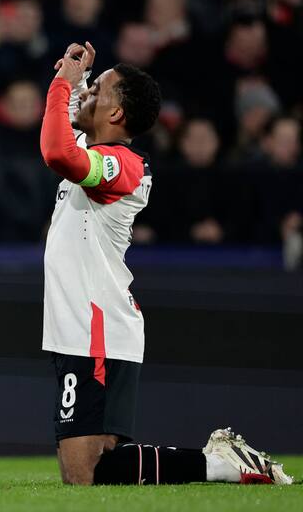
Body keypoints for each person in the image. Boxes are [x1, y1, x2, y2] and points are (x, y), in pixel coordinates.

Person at [39, 41, 293, 486]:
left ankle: (221, 466)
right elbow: (65, 131)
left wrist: (62, 89)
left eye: (98, 90)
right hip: (78, 322)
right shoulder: (97, 150)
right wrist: (75, 80)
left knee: (83, 472)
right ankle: (223, 465)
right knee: (87, 467)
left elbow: (58, 152)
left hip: (97, 323)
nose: (88, 93)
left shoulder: (125, 166)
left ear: (116, 115)